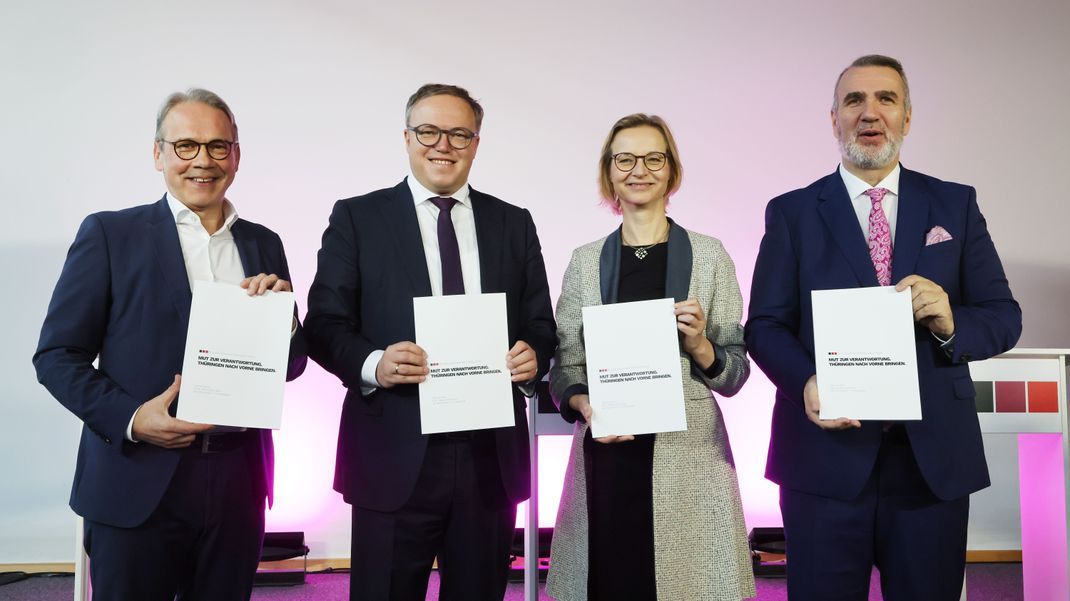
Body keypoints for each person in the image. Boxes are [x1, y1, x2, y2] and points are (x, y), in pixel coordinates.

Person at [745, 54, 1022, 600]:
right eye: (854, 100)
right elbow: (765, 326)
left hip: (931, 464)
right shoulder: (793, 212)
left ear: (907, 117)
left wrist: (949, 320)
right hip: (824, 464)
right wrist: (806, 381)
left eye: (885, 99)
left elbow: (1002, 317)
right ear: (834, 119)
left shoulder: (955, 205)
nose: (870, 113)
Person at [33, 88, 308, 600]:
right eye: (185, 146)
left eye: (217, 146)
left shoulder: (263, 242)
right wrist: (133, 418)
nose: (202, 161)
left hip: (237, 482)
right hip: (135, 481)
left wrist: (287, 324)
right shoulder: (111, 234)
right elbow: (56, 357)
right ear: (157, 153)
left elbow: (290, 367)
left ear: (237, 155)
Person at [304, 83, 557, 601]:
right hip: (392, 454)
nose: (443, 144)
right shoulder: (357, 217)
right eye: (429, 131)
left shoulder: (513, 222)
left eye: (459, 133)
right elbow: (323, 324)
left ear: (476, 143)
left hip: (490, 457)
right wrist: (374, 363)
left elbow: (540, 324)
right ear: (406, 137)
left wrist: (533, 355)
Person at [545, 113, 755, 601]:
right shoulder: (584, 260)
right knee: (611, 582)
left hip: (688, 457)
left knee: (688, 587)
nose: (639, 169)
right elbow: (566, 367)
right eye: (625, 158)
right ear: (609, 171)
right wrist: (582, 405)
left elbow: (736, 373)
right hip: (607, 452)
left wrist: (701, 345)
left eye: (653, 157)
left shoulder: (709, 256)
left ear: (671, 170)